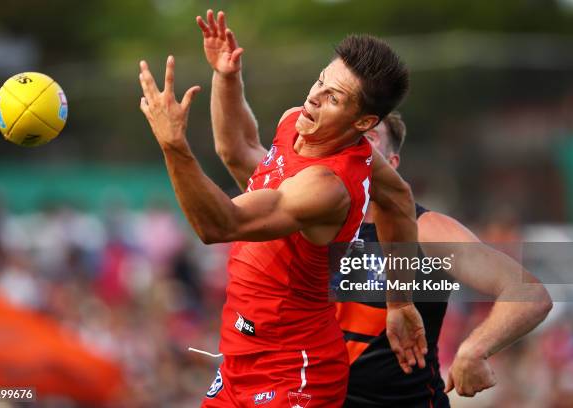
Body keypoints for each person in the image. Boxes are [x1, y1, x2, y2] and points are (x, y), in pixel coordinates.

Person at [138, 9, 426, 408]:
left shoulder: (326, 186)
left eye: (334, 98)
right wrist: (226, 76)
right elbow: (239, 152)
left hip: (295, 370)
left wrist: (173, 146)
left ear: (364, 122)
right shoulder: (298, 122)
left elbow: (219, 225)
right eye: (321, 81)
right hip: (239, 356)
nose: (314, 97)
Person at [337, 112, 552, 407]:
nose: (356, 144)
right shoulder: (308, 225)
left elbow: (530, 293)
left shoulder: (426, 229)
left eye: (370, 138)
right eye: (350, 136)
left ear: (392, 163)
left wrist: (474, 349)